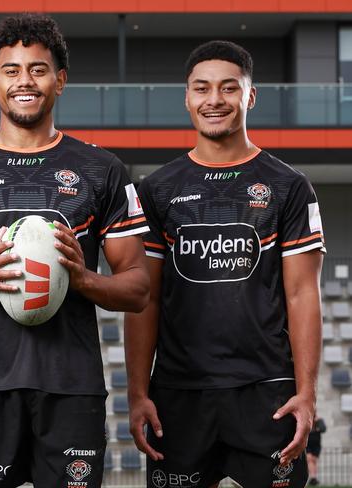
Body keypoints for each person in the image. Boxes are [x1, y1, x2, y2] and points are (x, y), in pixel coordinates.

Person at [0, 14, 150, 488]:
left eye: (38, 69)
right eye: (12, 71)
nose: (25, 81)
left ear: (59, 80)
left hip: (72, 385)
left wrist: (83, 279)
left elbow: (138, 286)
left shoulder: (101, 170)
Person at [125, 40, 325, 488]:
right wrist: (138, 393)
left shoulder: (289, 187)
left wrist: (307, 394)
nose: (214, 99)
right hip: (178, 395)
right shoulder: (156, 190)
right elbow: (147, 297)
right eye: (202, 89)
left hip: (267, 392)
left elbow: (301, 293)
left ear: (249, 96)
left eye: (228, 88)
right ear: (187, 98)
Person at [306, 413, 326, 485]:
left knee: (314, 461)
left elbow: (323, 429)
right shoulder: (307, 420)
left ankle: (313, 478)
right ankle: (313, 477)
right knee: (309, 459)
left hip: (316, 445)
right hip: (307, 444)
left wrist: (318, 421)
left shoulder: (319, 421)